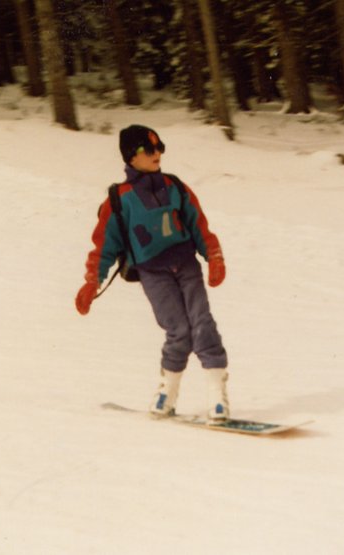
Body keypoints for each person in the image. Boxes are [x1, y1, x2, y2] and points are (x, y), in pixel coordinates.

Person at [75, 124, 229, 421]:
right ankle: (167, 393)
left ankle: (217, 395)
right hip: (153, 273)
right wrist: (92, 281)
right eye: (149, 149)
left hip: (186, 264)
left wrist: (214, 256)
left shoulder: (175, 187)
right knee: (178, 331)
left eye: (160, 147)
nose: (157, 153)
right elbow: (104, 246)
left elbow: (199, 225)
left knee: (202, 323)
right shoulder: (120, 200)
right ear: (131, 157)